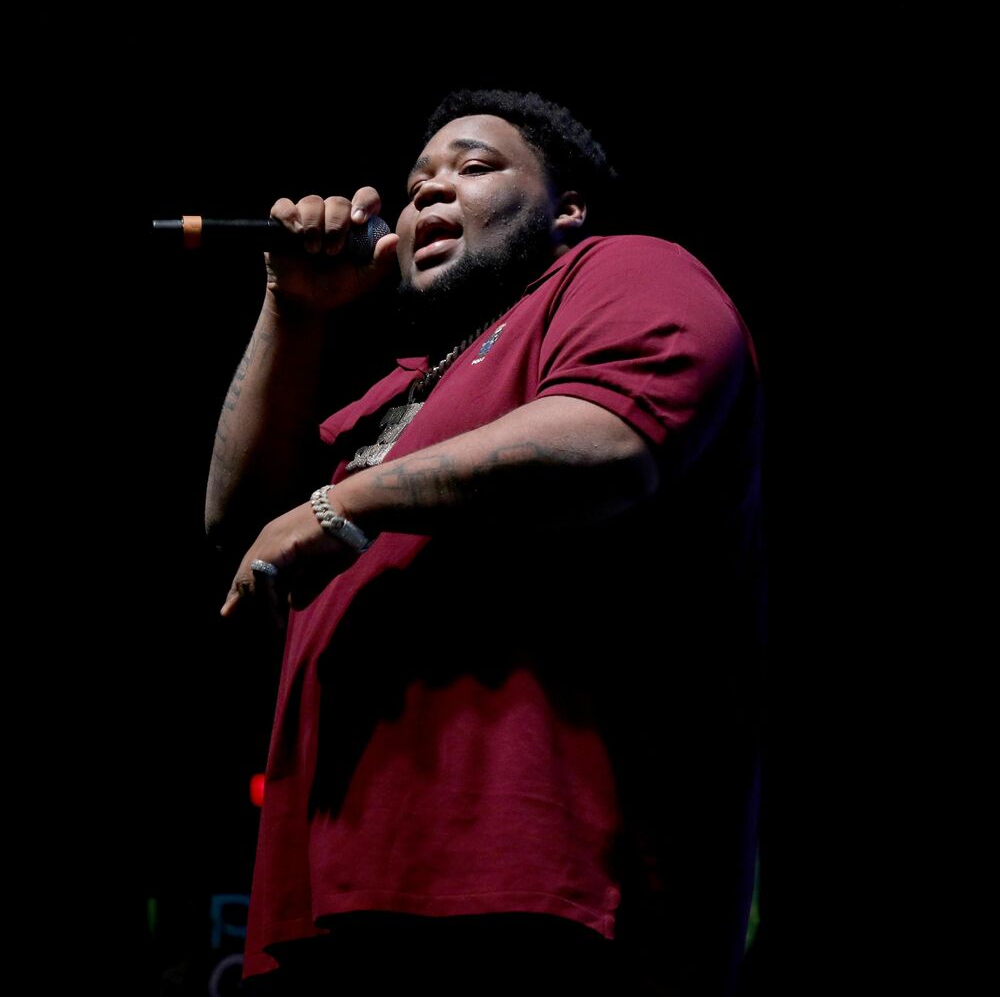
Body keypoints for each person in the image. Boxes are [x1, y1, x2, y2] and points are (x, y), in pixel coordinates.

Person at [207, 89, 765, 996]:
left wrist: (347, 501)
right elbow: (242, 529)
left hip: (547, 899)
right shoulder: (392, 395)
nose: (429, 192)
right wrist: (292, 307)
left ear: (566, 207)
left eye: (473, 167)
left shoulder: (622, 270)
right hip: (332, 905)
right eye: (416, 184)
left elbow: (611, 441)